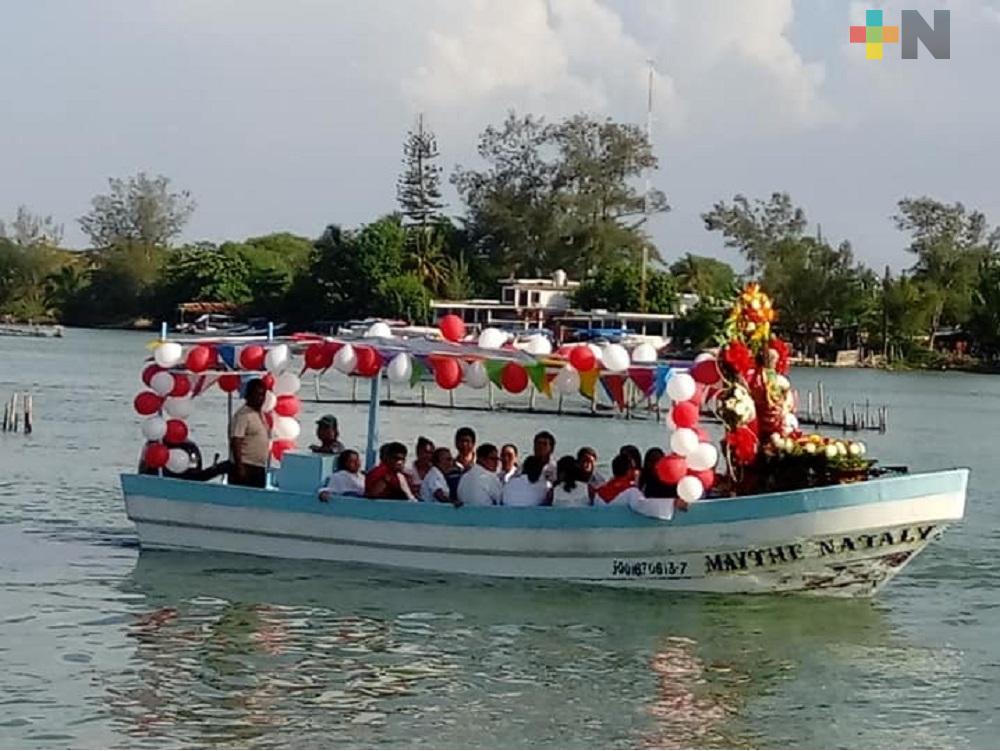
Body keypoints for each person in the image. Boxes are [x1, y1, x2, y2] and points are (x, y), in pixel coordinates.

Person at [229, 378, 270, 488]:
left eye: (263, 395)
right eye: (257, 395)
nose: (260, 399)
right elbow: (236, 441)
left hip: (258, 467)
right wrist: (240, 467)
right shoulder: (243, 415)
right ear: (249, 395)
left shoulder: (260, 414)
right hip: (246, 466)